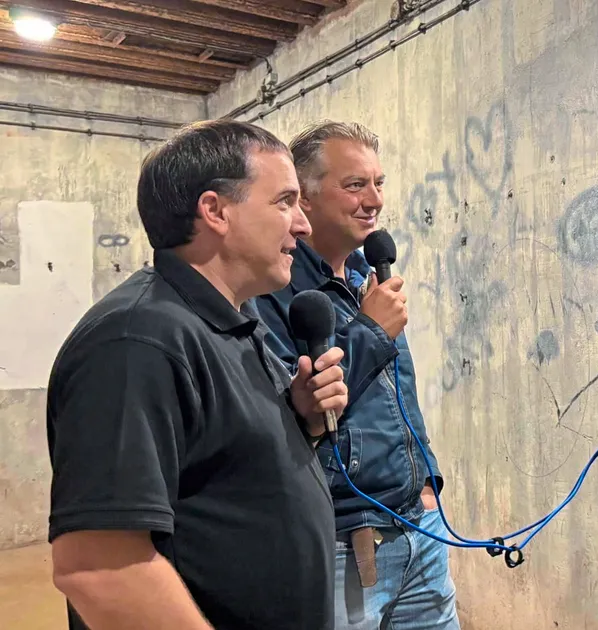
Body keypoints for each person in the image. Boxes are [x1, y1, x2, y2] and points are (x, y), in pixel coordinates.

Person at [46, 119, 349, 630]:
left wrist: (303, 420)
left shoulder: (230, 322)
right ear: (215, 211)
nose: (303, 224)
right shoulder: (135, 340)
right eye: (283, 201)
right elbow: (99, 567)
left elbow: (225, 473)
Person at [252, 120, 459, 629]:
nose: (373, 200)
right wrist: (370, 329)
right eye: (354, 185)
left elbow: (399, 395)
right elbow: (290, 411)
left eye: (378, 183)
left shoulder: (371, 277)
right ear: (304, 198)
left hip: (418, 527)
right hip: (342, 539)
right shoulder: (274, 289)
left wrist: (426, 480)